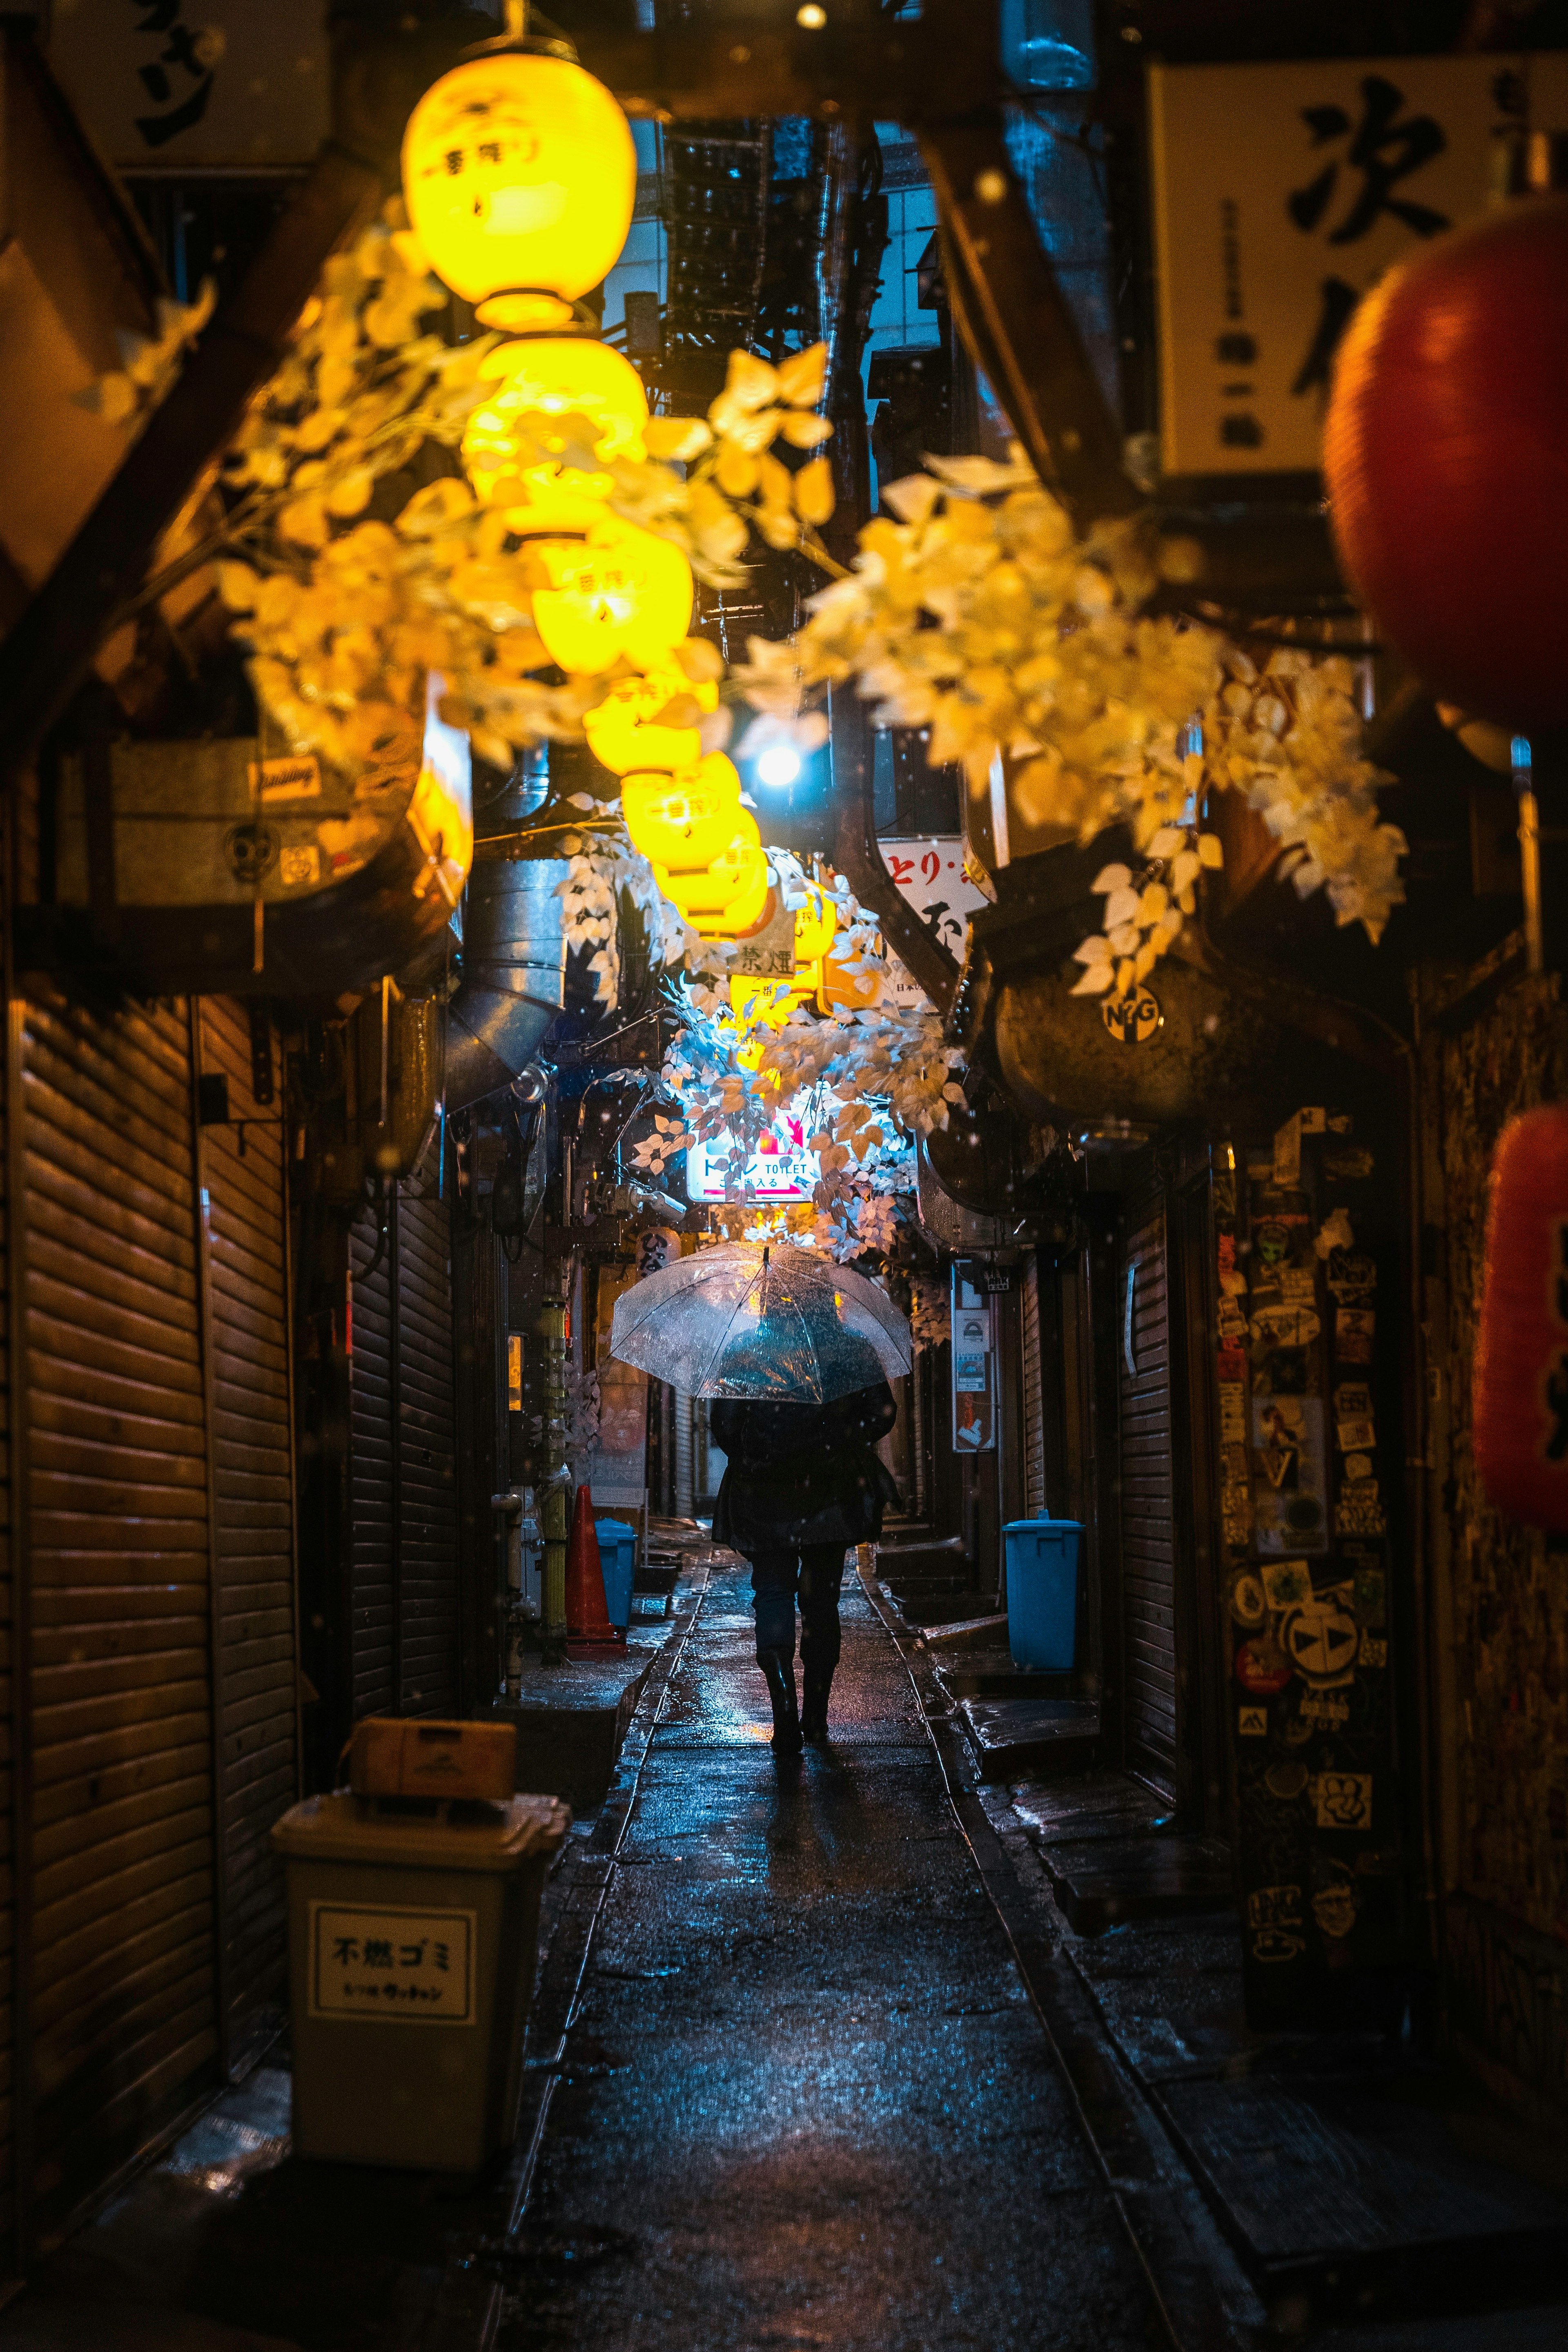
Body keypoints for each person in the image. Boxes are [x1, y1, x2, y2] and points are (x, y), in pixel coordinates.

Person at [710, 1333, 899, 1755]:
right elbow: (882, 1414)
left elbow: (724, 1424)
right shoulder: (850, 1347)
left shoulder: (746, 1350)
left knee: (773, 1591)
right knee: (821, 1602)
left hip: (764, 1494)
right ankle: (815, 1717)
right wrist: (837, 1440)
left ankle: (783, 1710)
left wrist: (757, 1456)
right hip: (829, 1495)